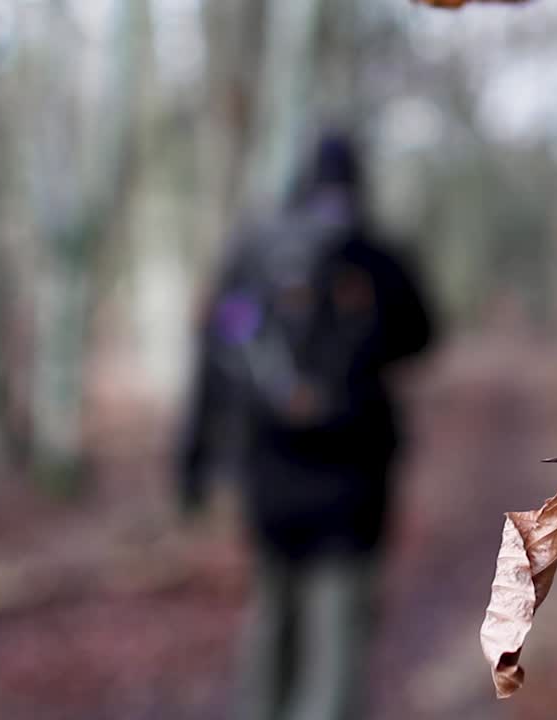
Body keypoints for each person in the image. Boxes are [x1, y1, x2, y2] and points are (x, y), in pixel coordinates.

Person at [175, 131, 431, 720]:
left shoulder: (251, 250)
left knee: (272, 617)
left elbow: (213, 358)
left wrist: (192, 460)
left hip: (270, 475)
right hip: (354, 477)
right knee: (338, 633)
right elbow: (422, 335)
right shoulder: (375, 253)